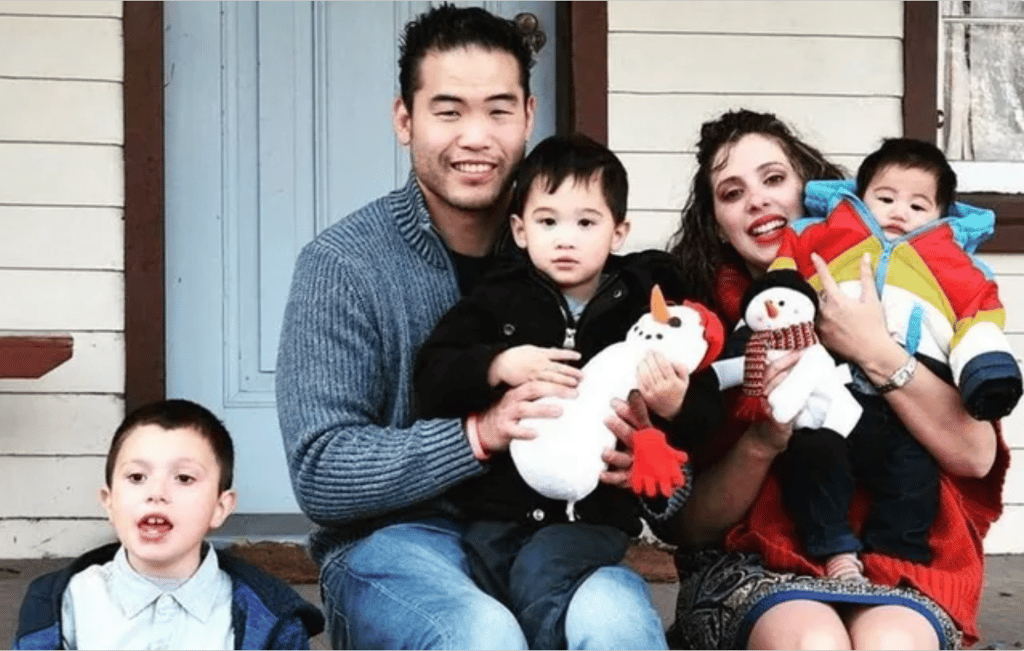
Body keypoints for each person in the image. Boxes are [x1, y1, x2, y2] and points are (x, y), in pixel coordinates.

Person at [276, 5, 669, 649]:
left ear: (529, 116)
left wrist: (646, 466)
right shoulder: (343, 265)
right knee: (482, 634)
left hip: (556, 537)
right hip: (397, 544)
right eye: (449, 111)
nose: (476, 137)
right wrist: (478, 434)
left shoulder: (588, 264)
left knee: (616, 626)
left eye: (498, 110)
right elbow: (323, 471)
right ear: (404, 119)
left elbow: (673, 461)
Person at [628, 109, 1006, 650]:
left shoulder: (904, 288)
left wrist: (873, 349)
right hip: (754, 559)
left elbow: (975, 456)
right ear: (716, 223)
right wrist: (762, 440)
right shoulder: (701, 325)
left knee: (892, 644)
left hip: (895, 551)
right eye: (732, 193)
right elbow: (687, 528)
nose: (757, 200)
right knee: (812, 642)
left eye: (774, 179)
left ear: (816, 192)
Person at [413, 133, 723, 649]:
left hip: (592, 512)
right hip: (498, 509)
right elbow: (432, 378)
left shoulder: (644, 308)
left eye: (586, 223)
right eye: (547, 221)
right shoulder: (496, 300)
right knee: (489, 601)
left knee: (543, 574)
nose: (565, 239)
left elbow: (709, 412)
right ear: (519, 230)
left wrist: (678, 404)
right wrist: (498, 364)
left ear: (618, 231)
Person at [762, 137, 1021, 583]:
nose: (900, 212)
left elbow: (979, 313)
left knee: (913, 476)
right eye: (885, 198)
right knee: (814, 455)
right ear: (860, 196)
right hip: (833, 381)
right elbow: (788, 263)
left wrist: (985, 364)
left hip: (914, 384)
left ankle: (895, 563)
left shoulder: (951, 258)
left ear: (942, 214)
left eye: (918, 206)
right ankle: (835, 551)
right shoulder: (829, 231)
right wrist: (778, 302)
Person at [13, 399, 325, 650]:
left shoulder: (268, 618)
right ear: (108, 501)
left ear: (220, 508)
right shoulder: (62, 604)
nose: (157, 493)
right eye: (137, 477)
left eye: (184, 478)